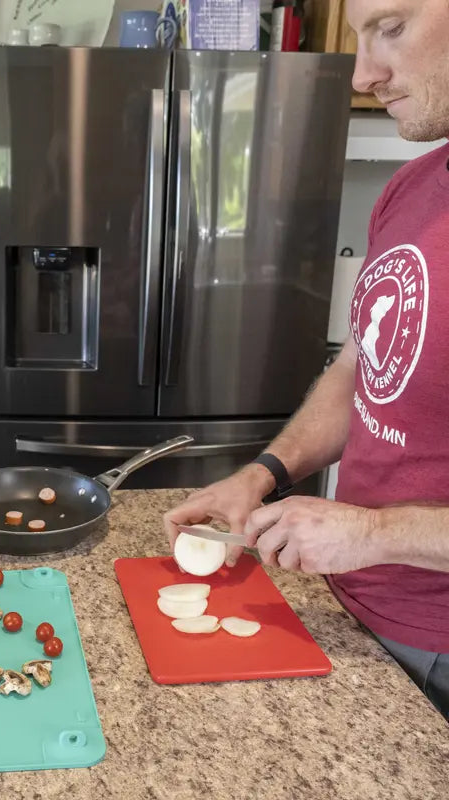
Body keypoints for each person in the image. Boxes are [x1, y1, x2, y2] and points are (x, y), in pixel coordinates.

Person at [164, 0, 449, 721]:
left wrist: (375, 533)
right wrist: (262, 475)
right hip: (346, 605)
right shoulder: (411, 191)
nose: (363, 74)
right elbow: (361, 368)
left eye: (391, 28)